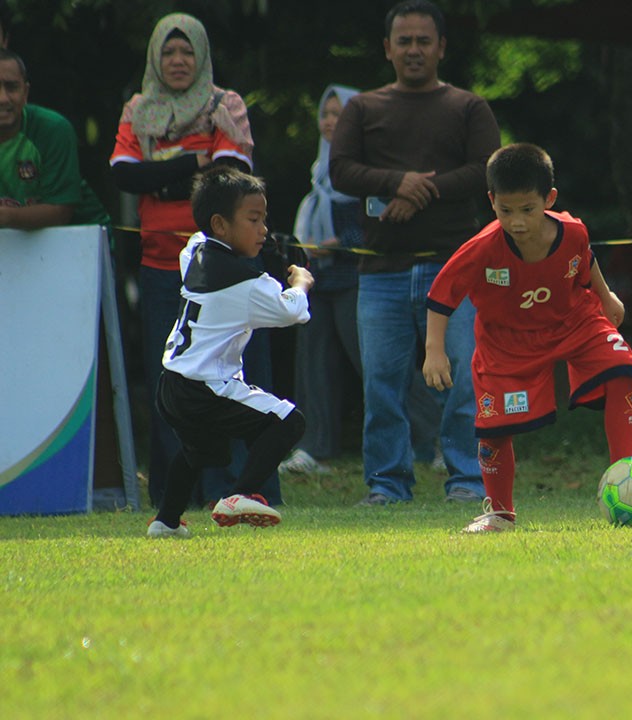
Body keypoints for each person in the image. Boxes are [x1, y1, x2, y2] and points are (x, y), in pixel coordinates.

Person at [423, 143, 632, 532]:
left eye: (527, 209)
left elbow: (585, 258)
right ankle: (500, 513)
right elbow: (442, 296)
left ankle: (624, 485)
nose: (518, 222)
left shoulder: (573, 230)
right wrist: (434, 351)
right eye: (506, 211)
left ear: (549, 199)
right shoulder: (481, 249)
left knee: (624, 372)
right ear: (491, 201)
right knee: (493, 429)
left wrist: (606, 296)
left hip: (574, 323)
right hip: (506, 343)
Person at [329, 0, 499, 505]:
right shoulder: (363, 107)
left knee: (464, 378)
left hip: (456, 267)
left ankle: (468, 480)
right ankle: (387, 484)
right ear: (387, 48)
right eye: (404, 41)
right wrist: (395, 183)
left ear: (442, 47)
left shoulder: (468, 107)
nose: (414, 50)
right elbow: (341, 170)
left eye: (424, 40)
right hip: (380, 269)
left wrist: (423, 190)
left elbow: (487, 169)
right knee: (380, 384)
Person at [110, 13, 265, 507]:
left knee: (228, 378)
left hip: (221, 270)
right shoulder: (138, 108)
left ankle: (237, 490)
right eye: (169, 52)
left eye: (187, 52)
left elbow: (231, 176)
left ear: (202, 57)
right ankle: (173, 494)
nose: (178, 61)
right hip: (159, 267)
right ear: (155, 58)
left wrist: (161, 175)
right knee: (170, 383)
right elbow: (123, 174)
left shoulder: (226, 104)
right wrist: (193, 165)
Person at [147, 166, 313, 538]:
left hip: (172, 383)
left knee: (198, 451)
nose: (264, 229)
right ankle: (239, 494)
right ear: (220, 224)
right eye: (253, 219)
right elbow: (292, 311)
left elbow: (197, 240)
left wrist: (259, 250)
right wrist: (301, 281)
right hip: (207, 387)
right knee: (288, 421)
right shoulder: (247, 285)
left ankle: (166, 522)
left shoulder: (194, 251)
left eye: (264, 219)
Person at [278, 84, 363, 476]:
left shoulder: (365, 166)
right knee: (314, 364)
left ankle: (429, 439)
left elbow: (374, 226)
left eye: (339, 114)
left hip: (356, 280)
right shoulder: (320, 171)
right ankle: (314, 449)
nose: (331, 122)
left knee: (372, 362)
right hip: (319, 281)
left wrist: (340, 244)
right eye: (326, 114)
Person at [0, 49, 109, 229]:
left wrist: (8, 217)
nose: (3, 98)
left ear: (26, 93)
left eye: (12, 87)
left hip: (79, 238)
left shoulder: (52, 129)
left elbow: (61, 212)